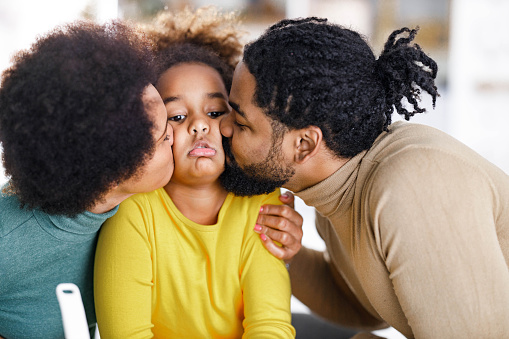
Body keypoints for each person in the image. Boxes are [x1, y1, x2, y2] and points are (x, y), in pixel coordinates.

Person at [219, 17, 509, 338]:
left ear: (304, 145)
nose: (223, 127)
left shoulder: (411, 186)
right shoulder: (338, 186)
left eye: (242, 122)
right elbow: (367, 309)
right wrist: (289, 252)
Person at [94, 8, 297, 338]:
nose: (200, 124)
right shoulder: (133, 212)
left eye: (215, 112)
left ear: (237, 121)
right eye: (176, 116)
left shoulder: (261, 204)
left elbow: (270, 327)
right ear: (151, 130)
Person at [0, 21, 175, 338]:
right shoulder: (6, 242)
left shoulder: (151, 203)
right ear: (111, 171)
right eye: (163, 137)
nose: (175, 135)